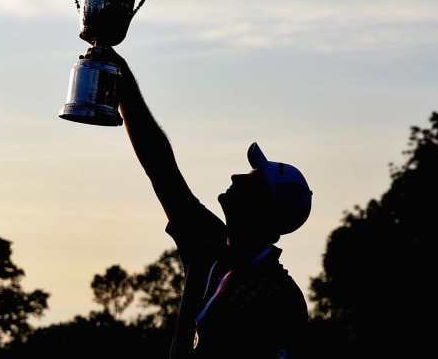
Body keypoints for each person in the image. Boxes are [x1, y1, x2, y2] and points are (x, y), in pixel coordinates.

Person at [106, 48, 314, 358]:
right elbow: (161, 168)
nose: (236, 177)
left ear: (264, 209)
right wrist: (125, 89)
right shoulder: (210, 245)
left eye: (252, 180)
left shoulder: (282, 297)